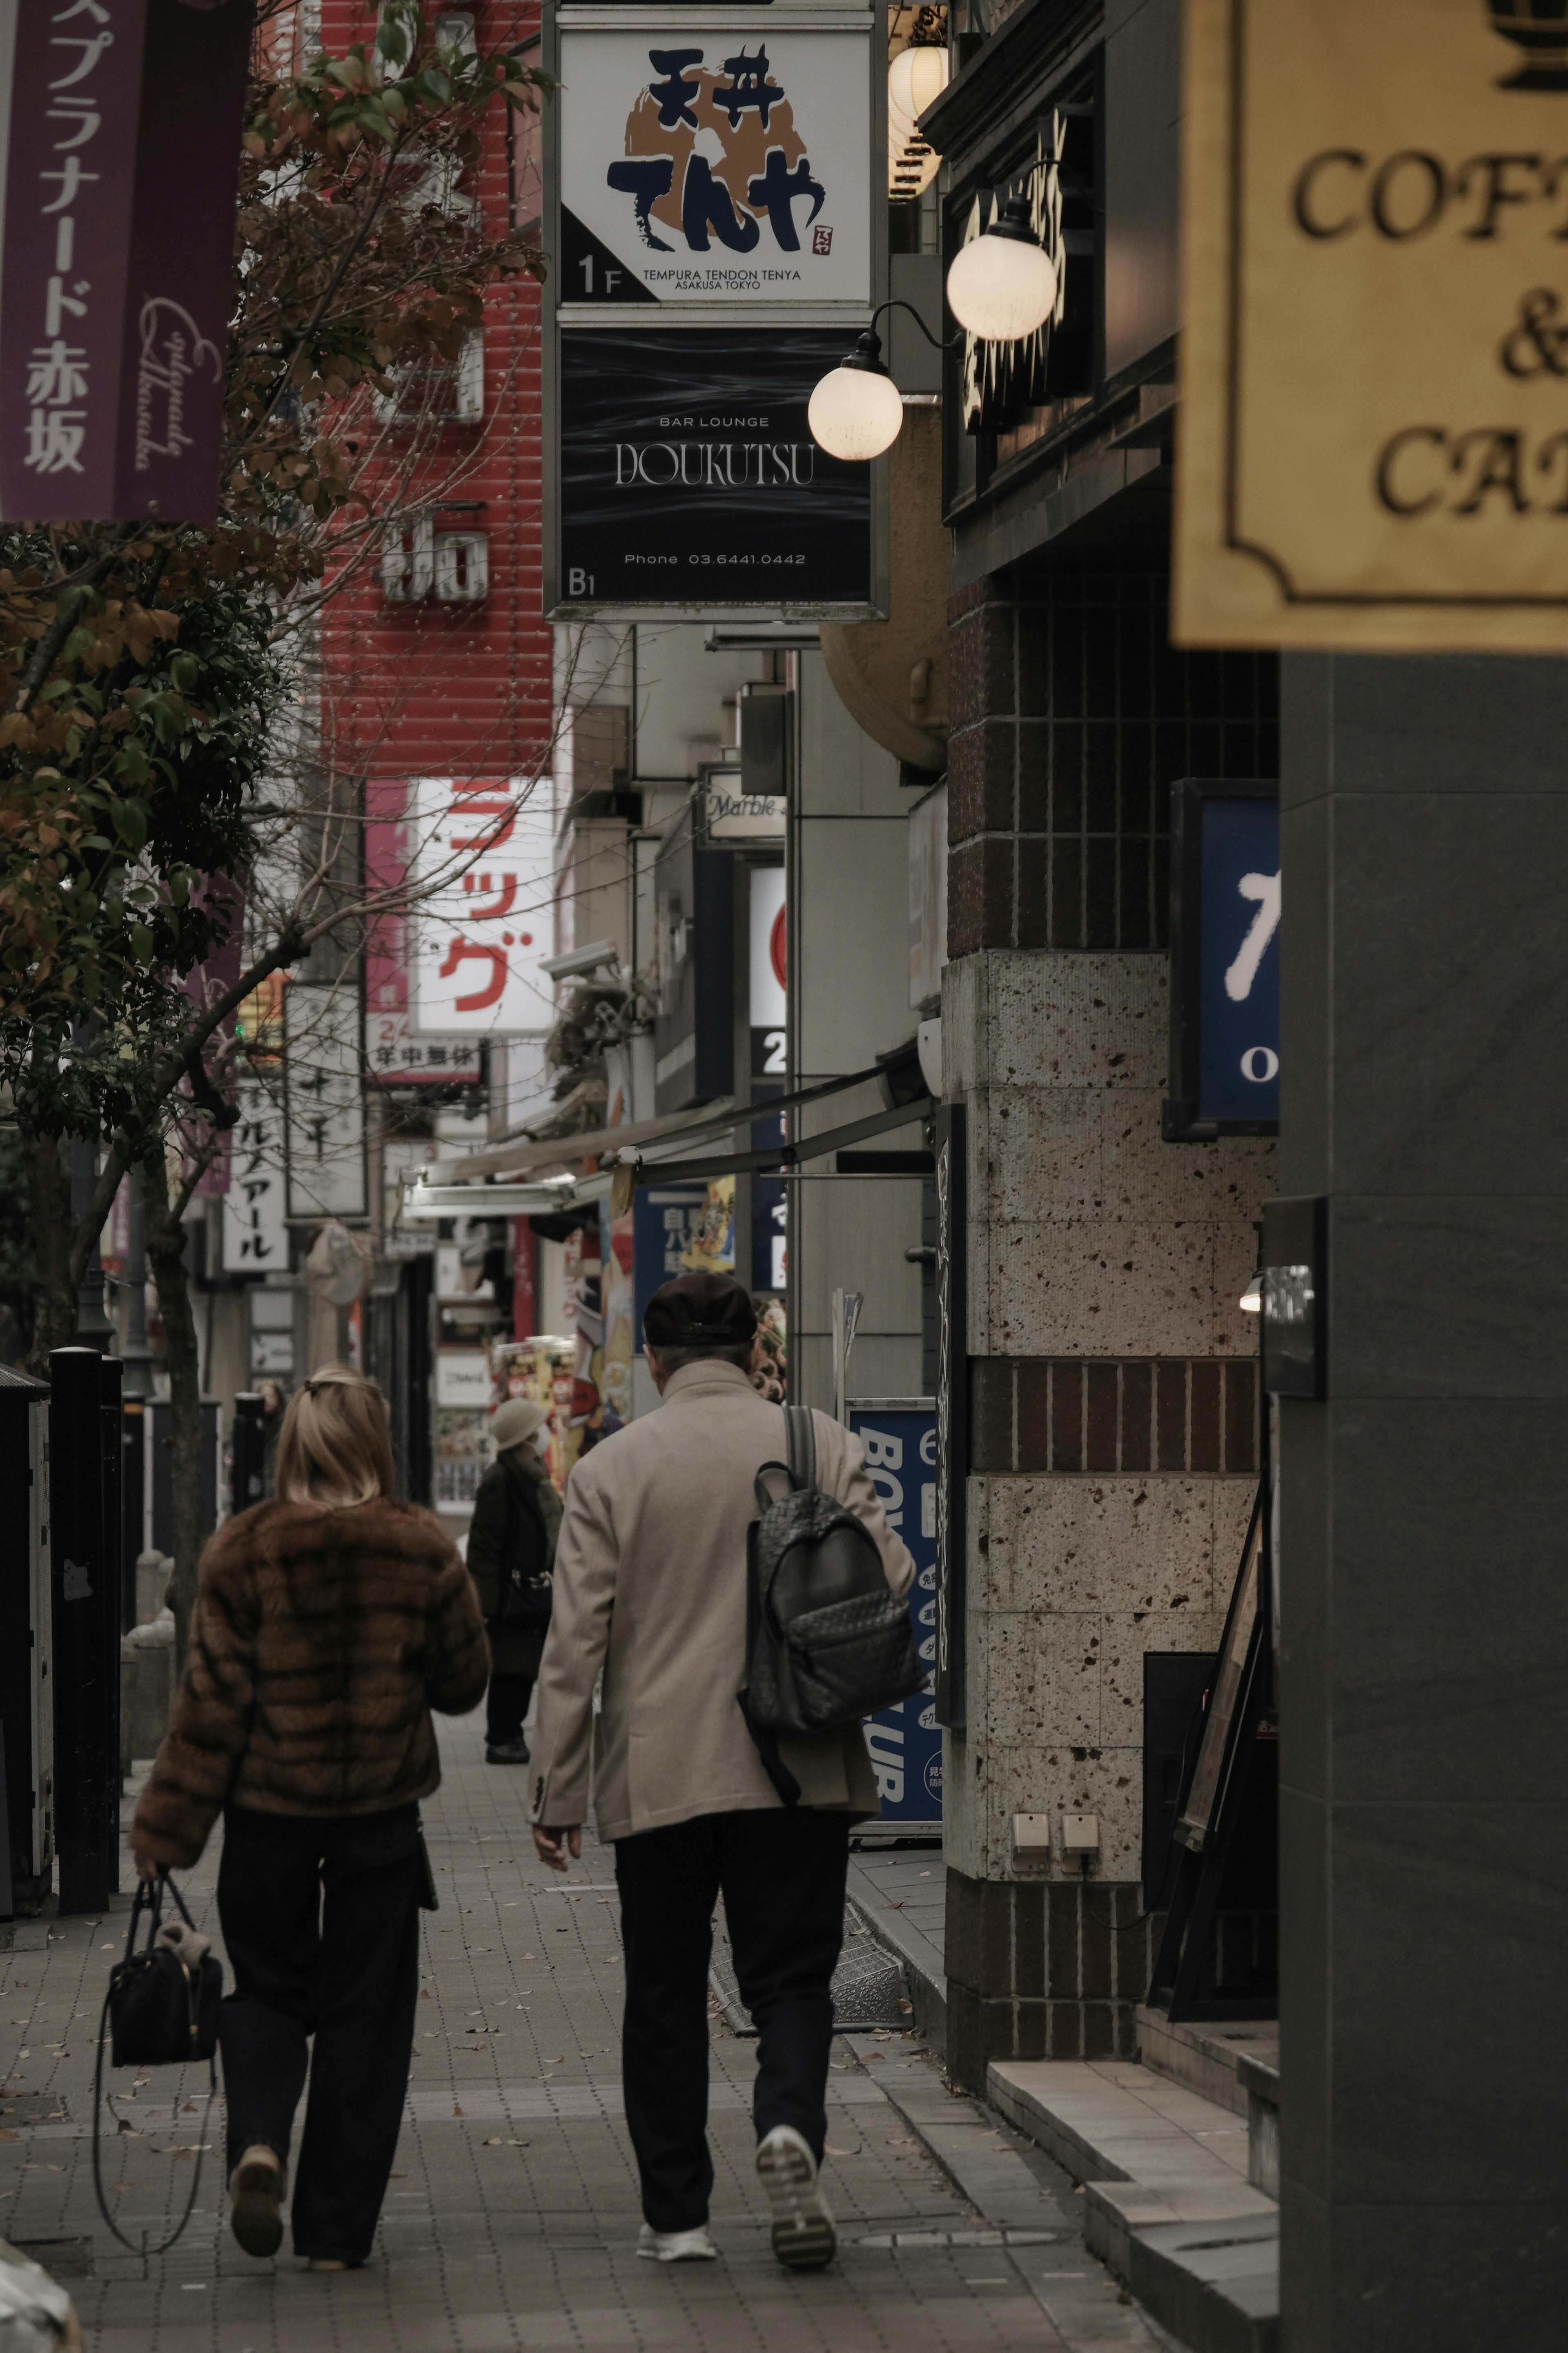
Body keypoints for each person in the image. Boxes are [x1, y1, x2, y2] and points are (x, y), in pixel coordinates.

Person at [529, 1271, 915, 2273]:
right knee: (791, 1980)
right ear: (754, 1352)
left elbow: (575, 1646)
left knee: (661, 1989)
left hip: (659, 1774)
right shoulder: (816, 1443)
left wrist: (556, 1791)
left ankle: (678, 2217)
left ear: (653, 1363)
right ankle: (786, 2128)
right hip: (798, 1760)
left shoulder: (612, 1470)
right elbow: (894, 1578)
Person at [128, 1365, 489, 2273]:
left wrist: (164, 1832)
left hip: (266, 1823)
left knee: (270, 1991)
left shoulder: (243, 1549)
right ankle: (333, 2236)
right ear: (377, 1443)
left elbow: (208, 1711)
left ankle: (259, 2141)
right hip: (378, 1824)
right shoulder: (420, 1545)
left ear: (292, 1446)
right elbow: (465, 1683)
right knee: (368, 2019)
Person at [464, 1396, 561, 1765]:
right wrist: (485, 1605)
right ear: (524, 1437)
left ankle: (510, 1734)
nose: (544, 1435)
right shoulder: (501, 1479)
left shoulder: (531, 1471)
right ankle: (502, 1737)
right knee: (510, 1670)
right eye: (537, 1429)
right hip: (509, 1596)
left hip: (529, 1591)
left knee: (523, 1669)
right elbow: (483, 1546)